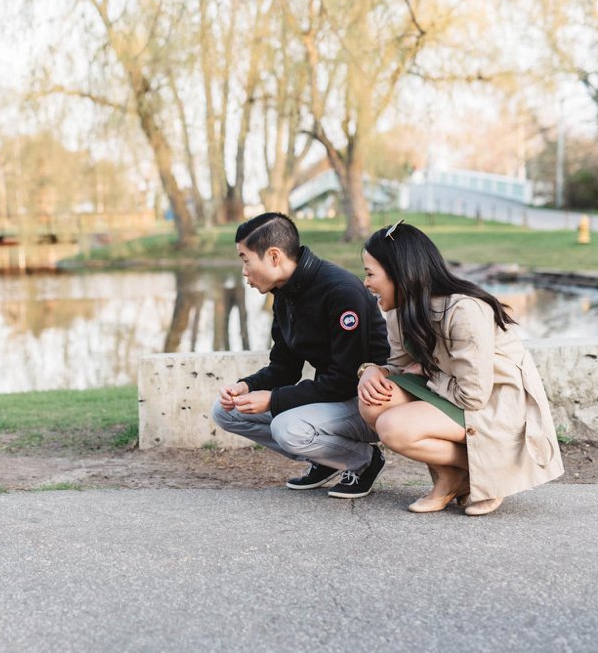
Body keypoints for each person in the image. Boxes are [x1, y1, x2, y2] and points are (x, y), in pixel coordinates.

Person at [356, 220, 564, 516]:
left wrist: (426, 374)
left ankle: (493, 473)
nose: (366, 283)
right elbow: (402, 367)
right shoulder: (402, 312)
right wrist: (375, 371)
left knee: (393, 426)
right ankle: (456, 476)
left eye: (370, 274)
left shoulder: (463, 310)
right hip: (454, 393)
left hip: (494, 406)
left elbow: (473, 396)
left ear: (399, 273)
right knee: (375, 400)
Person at [211, 212, 390, 498]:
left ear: (273, 256)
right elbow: (285, 366)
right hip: (335, 397)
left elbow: (345, 378)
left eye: (245, 260)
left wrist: (272, 399)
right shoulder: (285, 293)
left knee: (287, 428)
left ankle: (363, 460)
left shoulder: (340, 291)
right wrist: (246, 387)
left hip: (369, 401)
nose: (244, 271)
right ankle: (324, 459)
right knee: (225, 412)